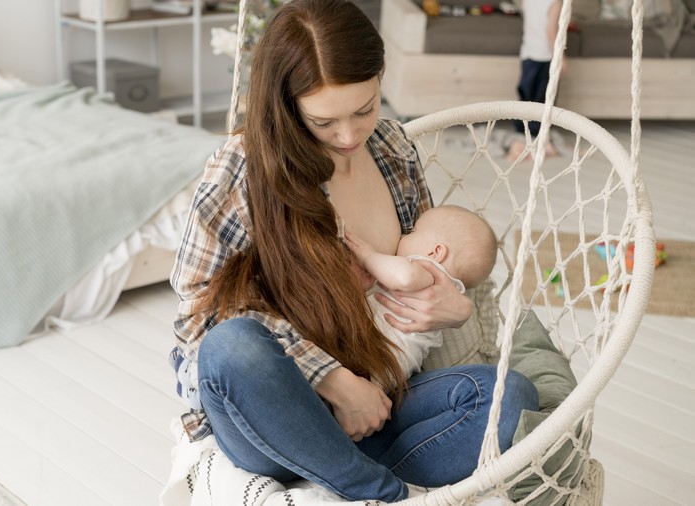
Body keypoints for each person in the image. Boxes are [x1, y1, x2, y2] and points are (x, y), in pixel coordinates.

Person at [168, 0, 538, 501]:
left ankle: (336, 470)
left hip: (382, 405)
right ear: (288, 106)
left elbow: (426, 258)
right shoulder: (241, 168)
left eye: (365, 109)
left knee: (509, 395)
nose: (349, 136)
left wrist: (455, 306)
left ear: (380, 78)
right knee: (231, 347)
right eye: (324, 121)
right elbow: (197, 316)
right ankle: (382, 493)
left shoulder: (392, 149)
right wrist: (336, 383)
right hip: (279, 410)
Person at [345, 205, 498, 377]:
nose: (403, 235)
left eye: (412, 231)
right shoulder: (448, 289)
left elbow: (405, 277)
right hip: (391, 365)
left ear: (435, 252)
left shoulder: (429, 272)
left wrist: (368, 257)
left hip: (377, 355)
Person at [506, 0, 563, 161]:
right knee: (543, 99)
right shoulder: (555, 3)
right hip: (545, 57)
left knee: (525, 94)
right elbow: (551, 31)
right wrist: (560, 57)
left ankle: (522, 135)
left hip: (528, 54)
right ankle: (536, 138)